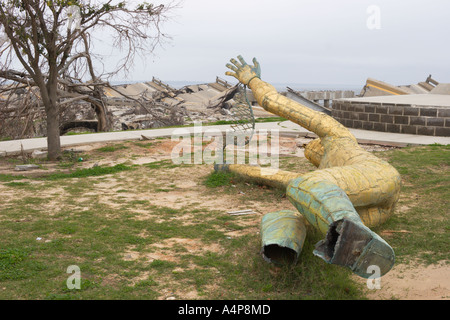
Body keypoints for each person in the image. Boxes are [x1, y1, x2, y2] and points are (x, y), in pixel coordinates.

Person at [216, 56, 402, 278]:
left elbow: (272, 102)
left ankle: (349, 233)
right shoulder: (331, 177)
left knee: (304, 186)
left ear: (318, 146)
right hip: (383, 201)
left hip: (375, 176)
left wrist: (253, 79)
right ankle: (282, 249)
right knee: (308, 209)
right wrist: (230, 167)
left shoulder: (338, 137)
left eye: (311, 148)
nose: (311, 151)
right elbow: (276, 176)